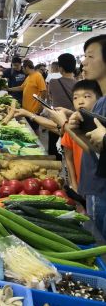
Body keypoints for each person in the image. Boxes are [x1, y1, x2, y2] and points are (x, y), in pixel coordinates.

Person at [67, 35, 106, 233]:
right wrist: (78, 131)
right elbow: (97, 151)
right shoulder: (100, 103)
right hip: (95, 188)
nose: (83, 62)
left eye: (90, 56)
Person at [8, 59, 47, 131]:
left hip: (34, 110)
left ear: (27, 67)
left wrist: (41, 106)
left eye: (23, 68)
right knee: (28, 129)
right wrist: (8, 89)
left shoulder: (38, 76)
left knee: (34, 130)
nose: (22, 69)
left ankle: (37, 142)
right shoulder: (29, 77)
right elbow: (21, 88)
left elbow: (43, 91)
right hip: (26, 109)